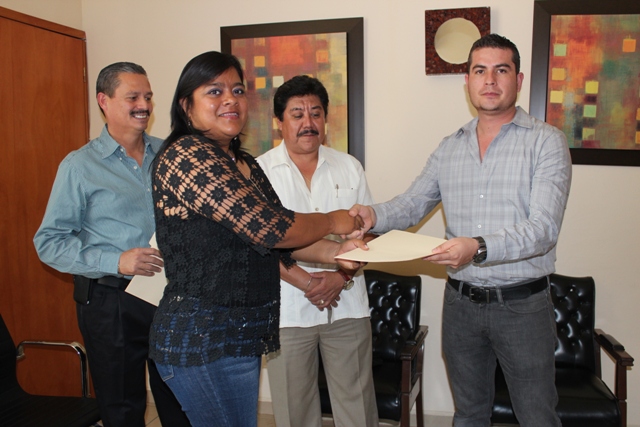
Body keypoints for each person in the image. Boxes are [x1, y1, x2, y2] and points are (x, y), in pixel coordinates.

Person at [349, 34, 572, 427]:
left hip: (522, 307)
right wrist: (372, 215)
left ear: (518, 80)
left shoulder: (547, 142)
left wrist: (478, 247)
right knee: (468, 414)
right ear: (467, 81)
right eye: (480, 71)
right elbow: (412, 203)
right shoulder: (450, 147)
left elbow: (543, 230)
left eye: (501, 70)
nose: (490, 80)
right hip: (461, 305)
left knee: (537, 416)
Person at [149, 51, 365, 427]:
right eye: (214, 91)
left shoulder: (243, 163)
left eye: (237, 90)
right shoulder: (187, 156)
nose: (230, 100)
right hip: (200, 338)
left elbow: (275, 241)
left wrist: (337, 251)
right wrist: (335, 220)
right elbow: (273, 227)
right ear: (186, 105)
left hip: (242, 333)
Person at [33, 63, 190, 427]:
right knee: (122, 409)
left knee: (181, 403)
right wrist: (116, 260)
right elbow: (49, 242)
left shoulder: (169, 154)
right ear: (104, 101)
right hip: (111, 302)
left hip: (171, 296)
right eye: (133, 97)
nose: (144, 105)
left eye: (148, 96)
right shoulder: (79, 166)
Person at [256, 75, 378, 427]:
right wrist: (308, 282)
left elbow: (368, 235)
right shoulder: (259, 173)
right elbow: (259, 245)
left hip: (347, 305)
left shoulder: (349, 166)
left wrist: (341, 275)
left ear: (325, 119)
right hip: (286, 311)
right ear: (279, 122)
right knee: (294, 412)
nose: (308, 123)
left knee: (358, 410)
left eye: (316, 113)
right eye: (297, 114)